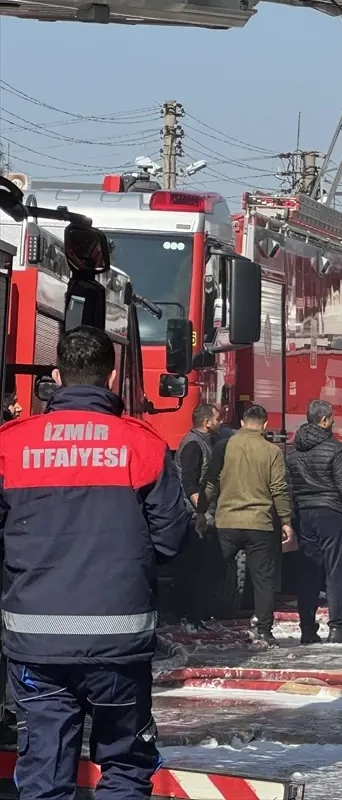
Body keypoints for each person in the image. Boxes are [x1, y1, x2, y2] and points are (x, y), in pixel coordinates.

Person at [0, 327, 192, 800]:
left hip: (35, 642)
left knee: (44, 770)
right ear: (110, 379)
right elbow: (173, 537)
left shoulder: (11, 444)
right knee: (125, 765)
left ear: (57, 376)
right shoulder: (141, 445)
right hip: (118, 643)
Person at [200, 404, 292, 646]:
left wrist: (201, 514)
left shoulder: (224, 446)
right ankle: (263, 630)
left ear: (241, 422)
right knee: (263, 579)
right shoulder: (272, 452)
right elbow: (279, 489)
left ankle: (201, 618)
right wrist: (286, 520)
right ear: (265, 424)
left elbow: (209, 484)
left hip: (227, 522)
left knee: (213, 571)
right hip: (260, 523)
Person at [288, 399, 342, 645]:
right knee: (336, 571)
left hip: (303, 513)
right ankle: (339, 627)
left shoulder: (293, 450)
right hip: (331, 512)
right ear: (323, 420)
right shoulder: (335, 449)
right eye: (332, 418)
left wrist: (289, 516)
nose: (334, 422)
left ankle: (307, 629)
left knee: (308, 571)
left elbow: (288, 485)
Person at [170, 402, 223, 622]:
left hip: (198, 512)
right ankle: (189, 615)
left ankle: (195, 614)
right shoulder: (194, 445)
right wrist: (201, 513)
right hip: (192, 515)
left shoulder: (204, 442)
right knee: (193, 567)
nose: (220, 422)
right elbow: (189, 482)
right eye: (217, 418)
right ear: (206, 422)